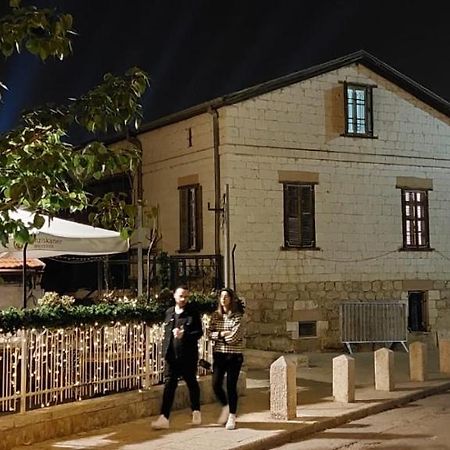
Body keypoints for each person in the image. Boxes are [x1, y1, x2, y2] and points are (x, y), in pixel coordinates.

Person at [151, 285, 203, 430]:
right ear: (174, 296)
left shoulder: (192, 313)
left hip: (187, 356)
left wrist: (184, 334)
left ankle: (196, 411)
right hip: (171, 356)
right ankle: (164, 417)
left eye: (186, 296)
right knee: (169, 385)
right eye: (181, 296)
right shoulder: (169, 313)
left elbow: (199, 332)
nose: (183, 299)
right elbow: (166, 334)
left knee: (191, 382)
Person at [208, 287, 245, 430]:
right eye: (222, 296)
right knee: (216, 384)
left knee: (230, 386)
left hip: (234, 355)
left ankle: (232, 415)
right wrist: (223, 334)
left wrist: (219, 336)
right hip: (219, 355)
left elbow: (234, 337)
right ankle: (225, 406)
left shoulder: (237, 316)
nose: (224, 299)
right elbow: (209, 333)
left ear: (231, 299)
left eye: (226, 297)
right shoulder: (215, 316)